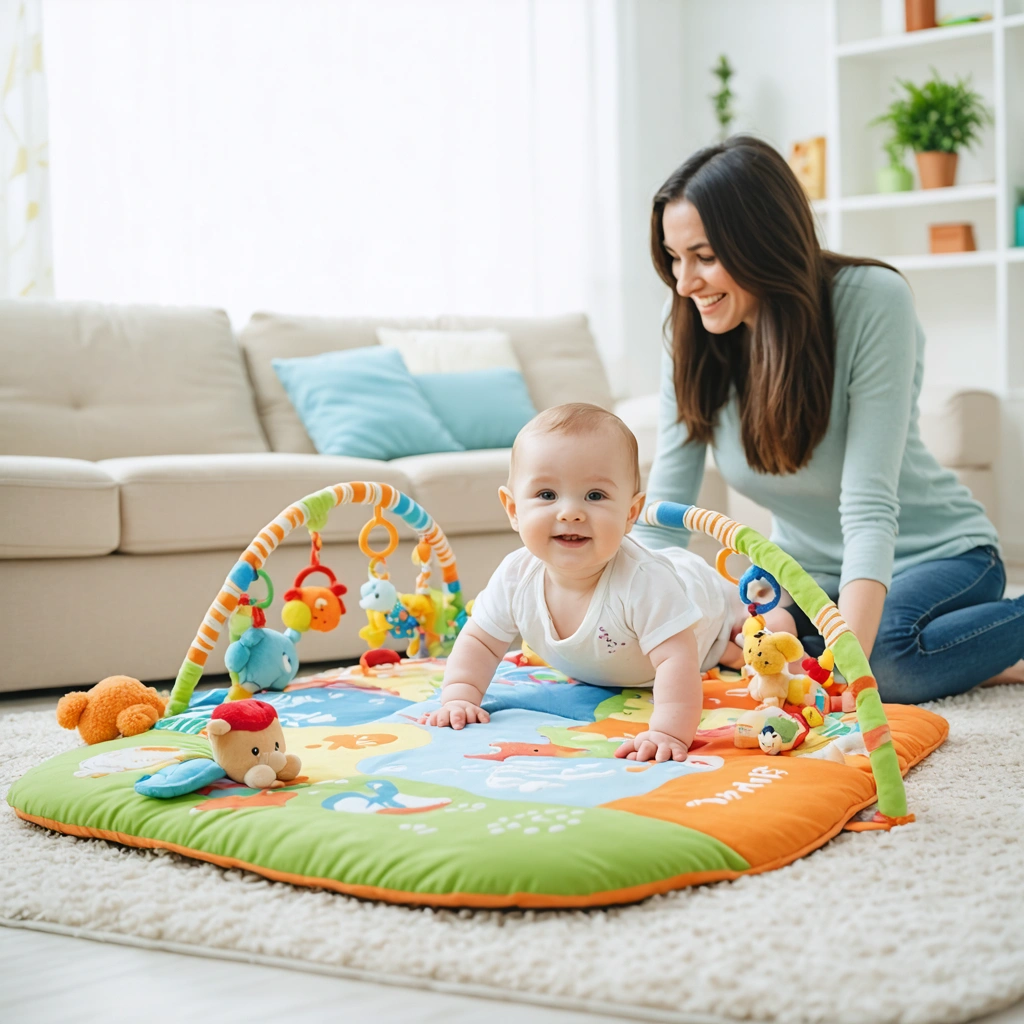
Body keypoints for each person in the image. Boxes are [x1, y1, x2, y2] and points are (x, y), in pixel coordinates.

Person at [631, 134, 1024, 704]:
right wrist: (621, 612)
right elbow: (665, 522)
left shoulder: (871, 300)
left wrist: (852, 676)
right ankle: (974, 658)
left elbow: (867, 507)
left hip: (937, 553)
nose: (684, 282)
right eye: (673, 258)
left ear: (761, 241)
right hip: (810, 573)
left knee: (884, 664)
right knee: (756, 648)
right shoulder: (694, 340)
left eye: (705, 257)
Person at [419, 403, 751, 762]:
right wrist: (460, 695)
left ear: (630, 514)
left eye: (595, 496)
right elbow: (481, 642)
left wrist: (668, 732)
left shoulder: (644, 582)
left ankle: (750, 622)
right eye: (547, 495)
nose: (570, 512)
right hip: (653, 650)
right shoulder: (515, 577)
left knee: (746, 628)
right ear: (514, 510)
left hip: (701, 601)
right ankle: (728, 650)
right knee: (723, 653)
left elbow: (676, 659)